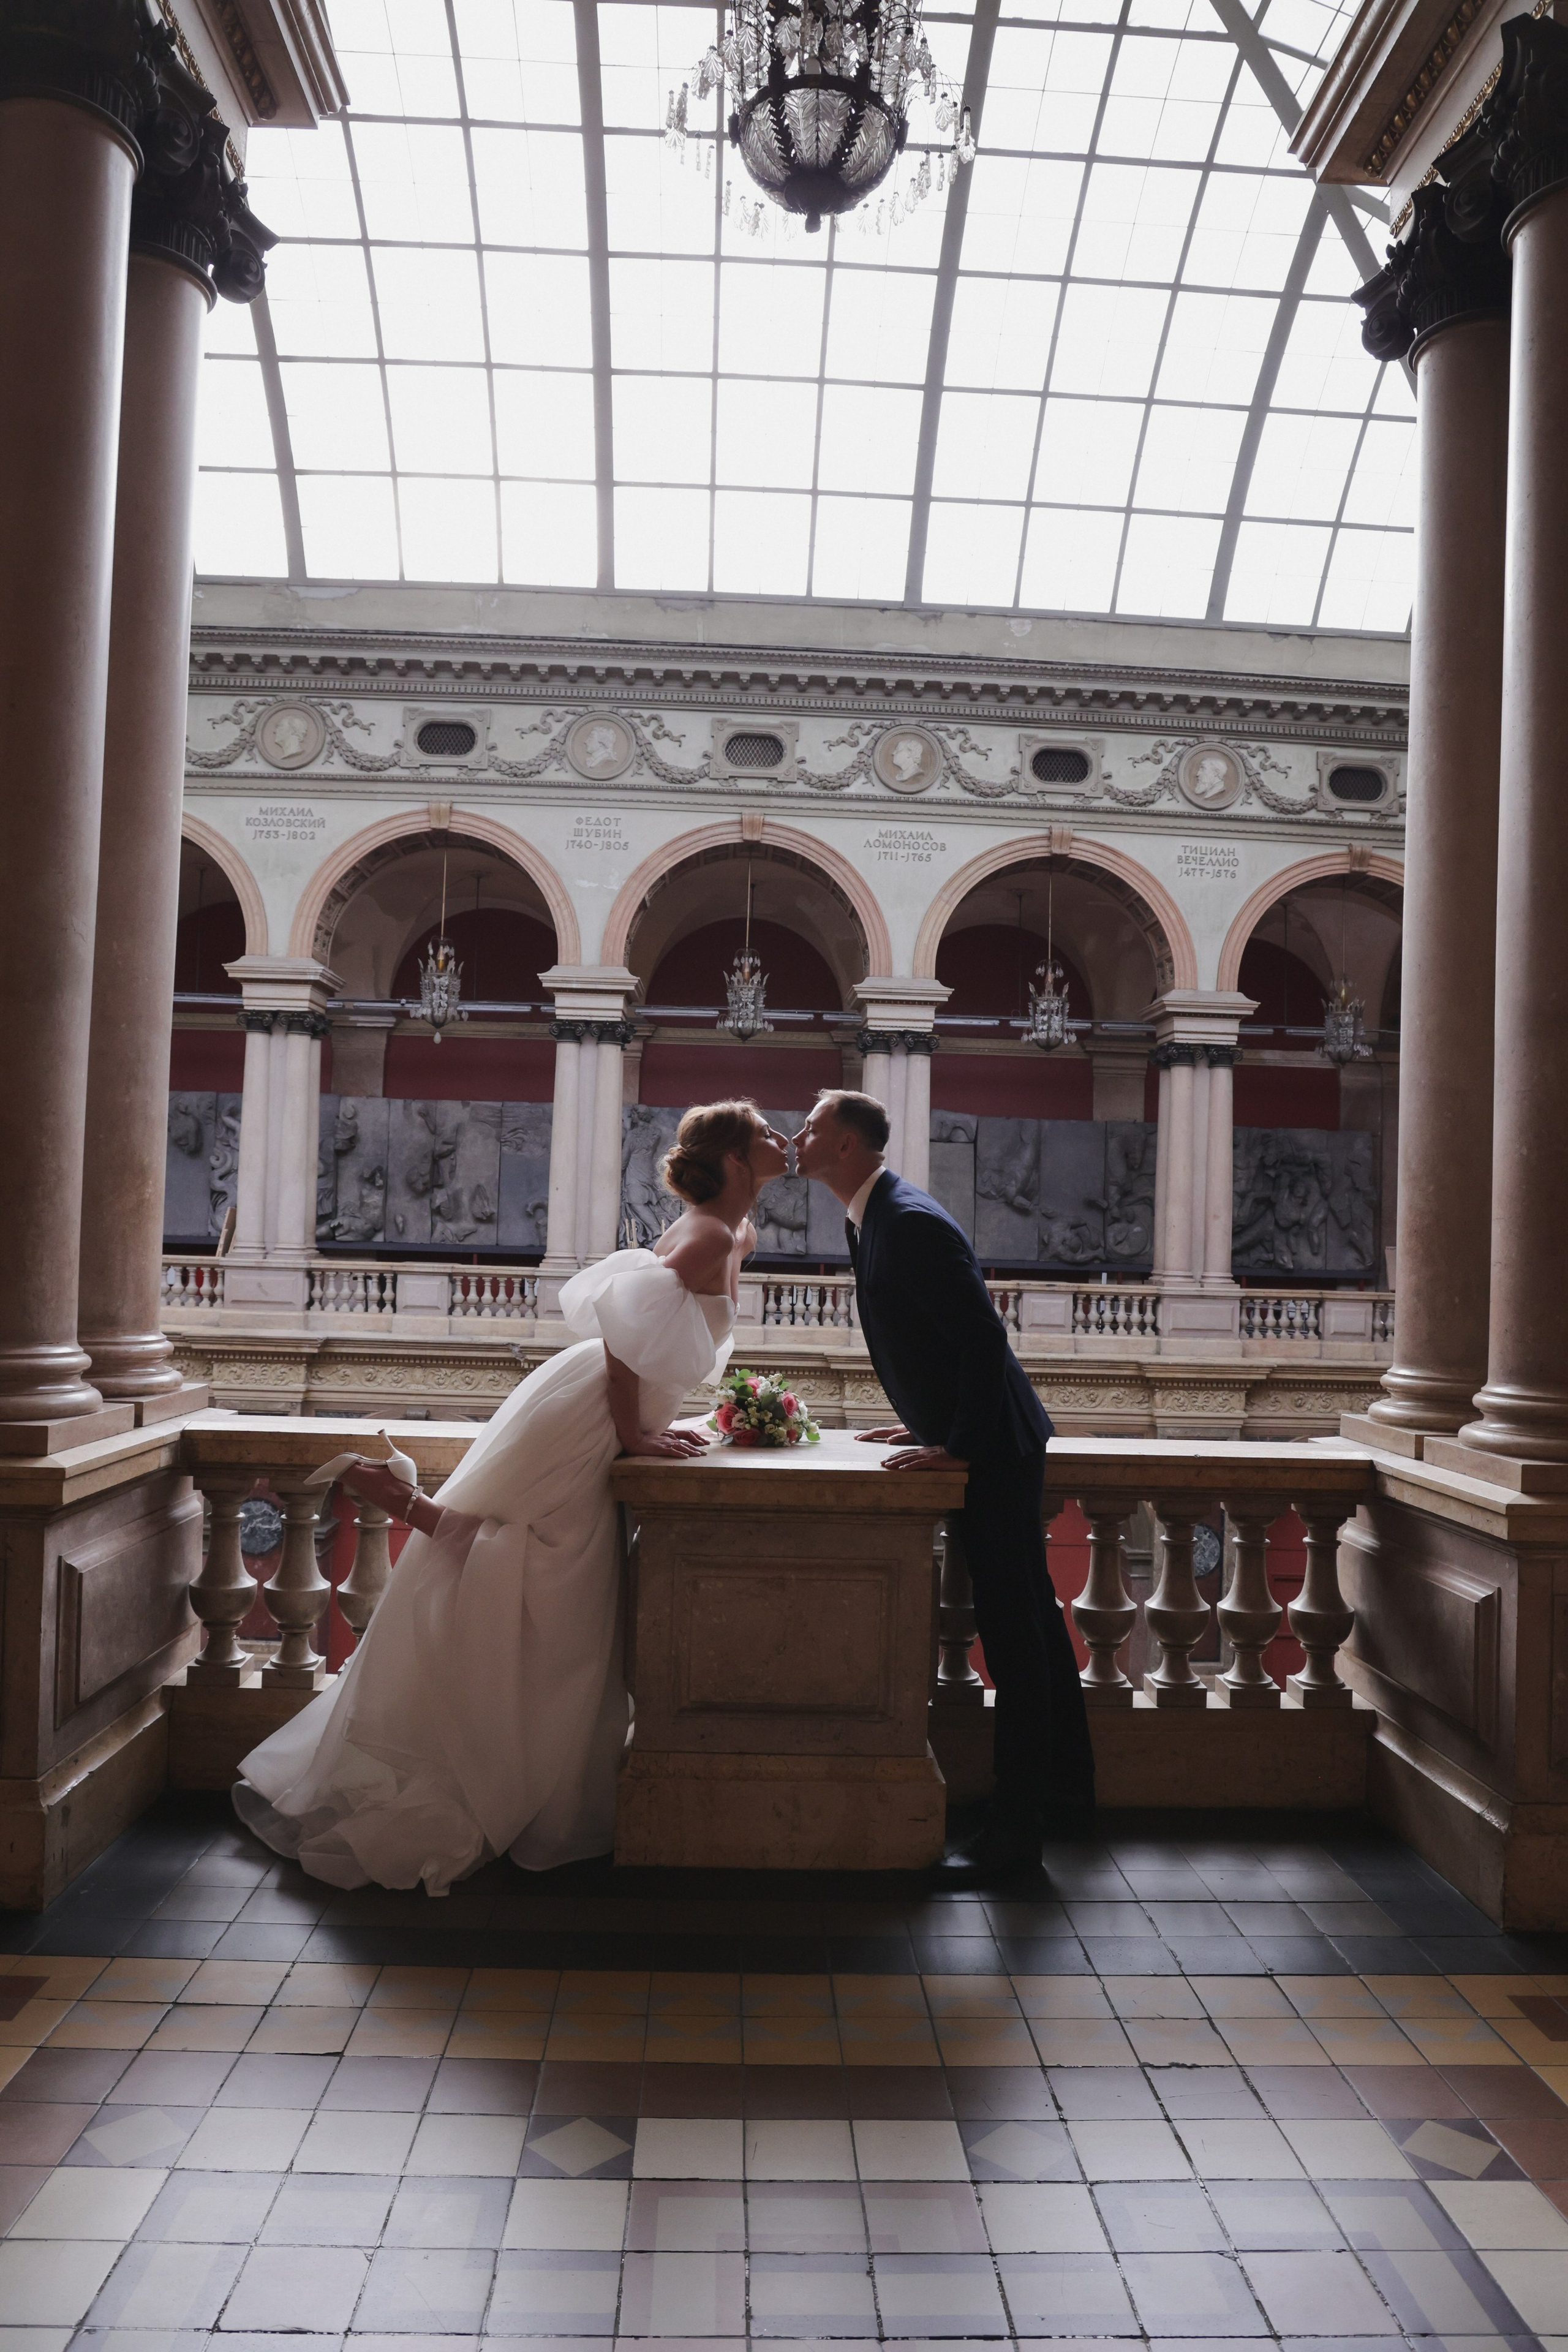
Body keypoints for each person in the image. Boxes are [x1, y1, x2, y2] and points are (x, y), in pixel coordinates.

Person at [232, 1101, 789, 1893]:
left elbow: (663, 1341)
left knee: (547, 1569)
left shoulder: (737, 1233)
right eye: (765, 1134)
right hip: (595, 1410)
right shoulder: (712, 1236)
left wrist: (685, 1419)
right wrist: (633, 1435)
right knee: (547, 1567)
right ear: (734, 1157)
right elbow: (624, 1335)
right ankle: (404, 1505)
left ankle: (405, 1503)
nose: (781, 1140)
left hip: (614, 1407)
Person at [794, 1089, 1096, 1886]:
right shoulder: (872, 1215)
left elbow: (982, 1339)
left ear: (848, 1145)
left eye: (813, 1127)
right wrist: (928, 1425)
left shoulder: (907, 1221)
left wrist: (958, 1445)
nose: (799, 1136)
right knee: (1032, 1624)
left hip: (993, 1453)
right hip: (985, 1442)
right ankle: (1068, 1792)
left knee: (1015, 1639)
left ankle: (1017, 1837)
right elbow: (935, 1340)